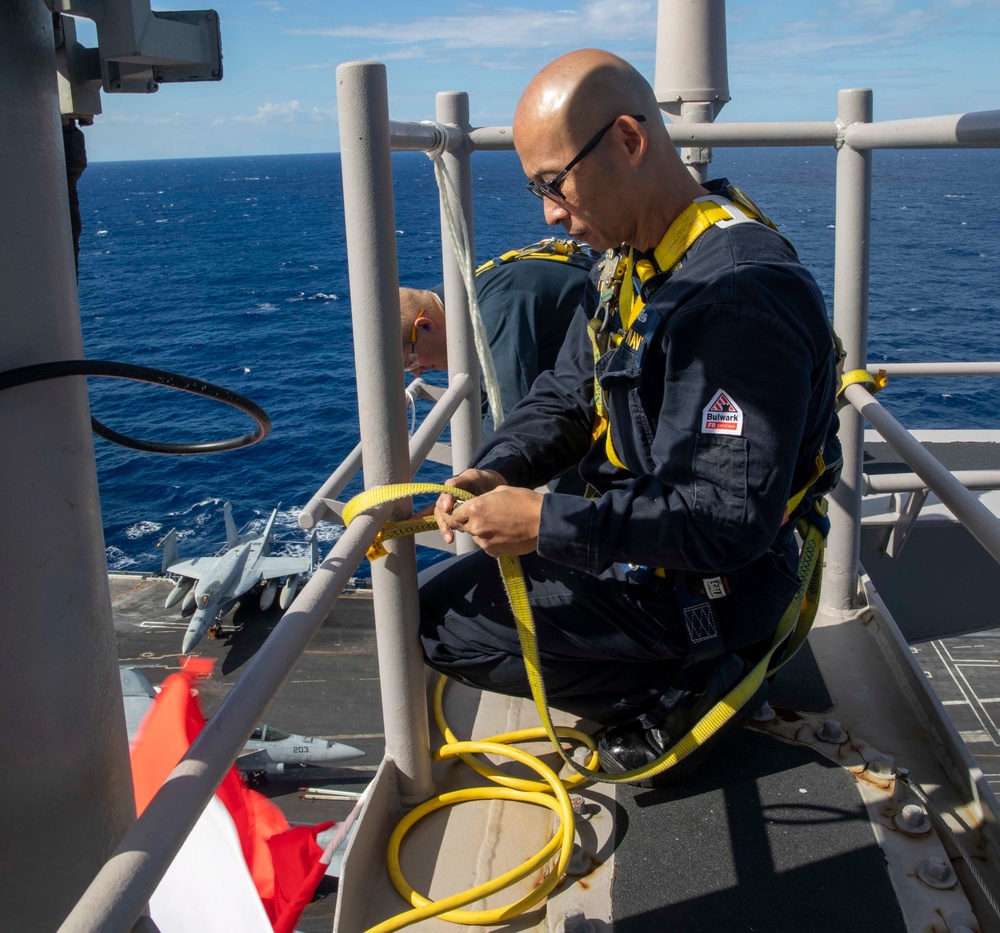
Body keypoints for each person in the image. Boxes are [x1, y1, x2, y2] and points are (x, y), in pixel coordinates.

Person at [415, 48, 842, 786]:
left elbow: (724, 519)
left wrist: (546, 523)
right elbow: (568, 392)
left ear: (630, 141)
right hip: (661, 547)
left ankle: (687, 686)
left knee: (439, 624)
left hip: (727, 582)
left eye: (556, 184)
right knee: (459, 600)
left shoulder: (739, 298)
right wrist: (497, 465)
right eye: (536, 189)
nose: (550, 212)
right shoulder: (638, 261)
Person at [399, 239, 596, 437]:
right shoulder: (467, 298)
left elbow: (510, 415)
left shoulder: (496, 312)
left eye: (411, 361)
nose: (417, 372)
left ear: (425, 325)